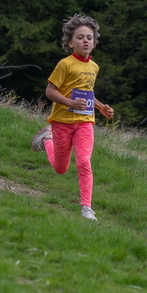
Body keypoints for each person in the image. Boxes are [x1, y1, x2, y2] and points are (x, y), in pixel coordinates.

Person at [31, 14, 114, 221]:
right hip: (62, 122)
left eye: (89, 38)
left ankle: (86, 208)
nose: (85, 41)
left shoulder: (94, 67)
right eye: (80, 37)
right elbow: (50, 91)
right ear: (70, 43)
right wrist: (70, 103)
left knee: (84, 161)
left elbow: (87, 92)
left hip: (85, 123)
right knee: (61, 168)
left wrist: (101, 107)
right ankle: (46, 139)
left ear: (94, 43)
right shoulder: (65, 65)